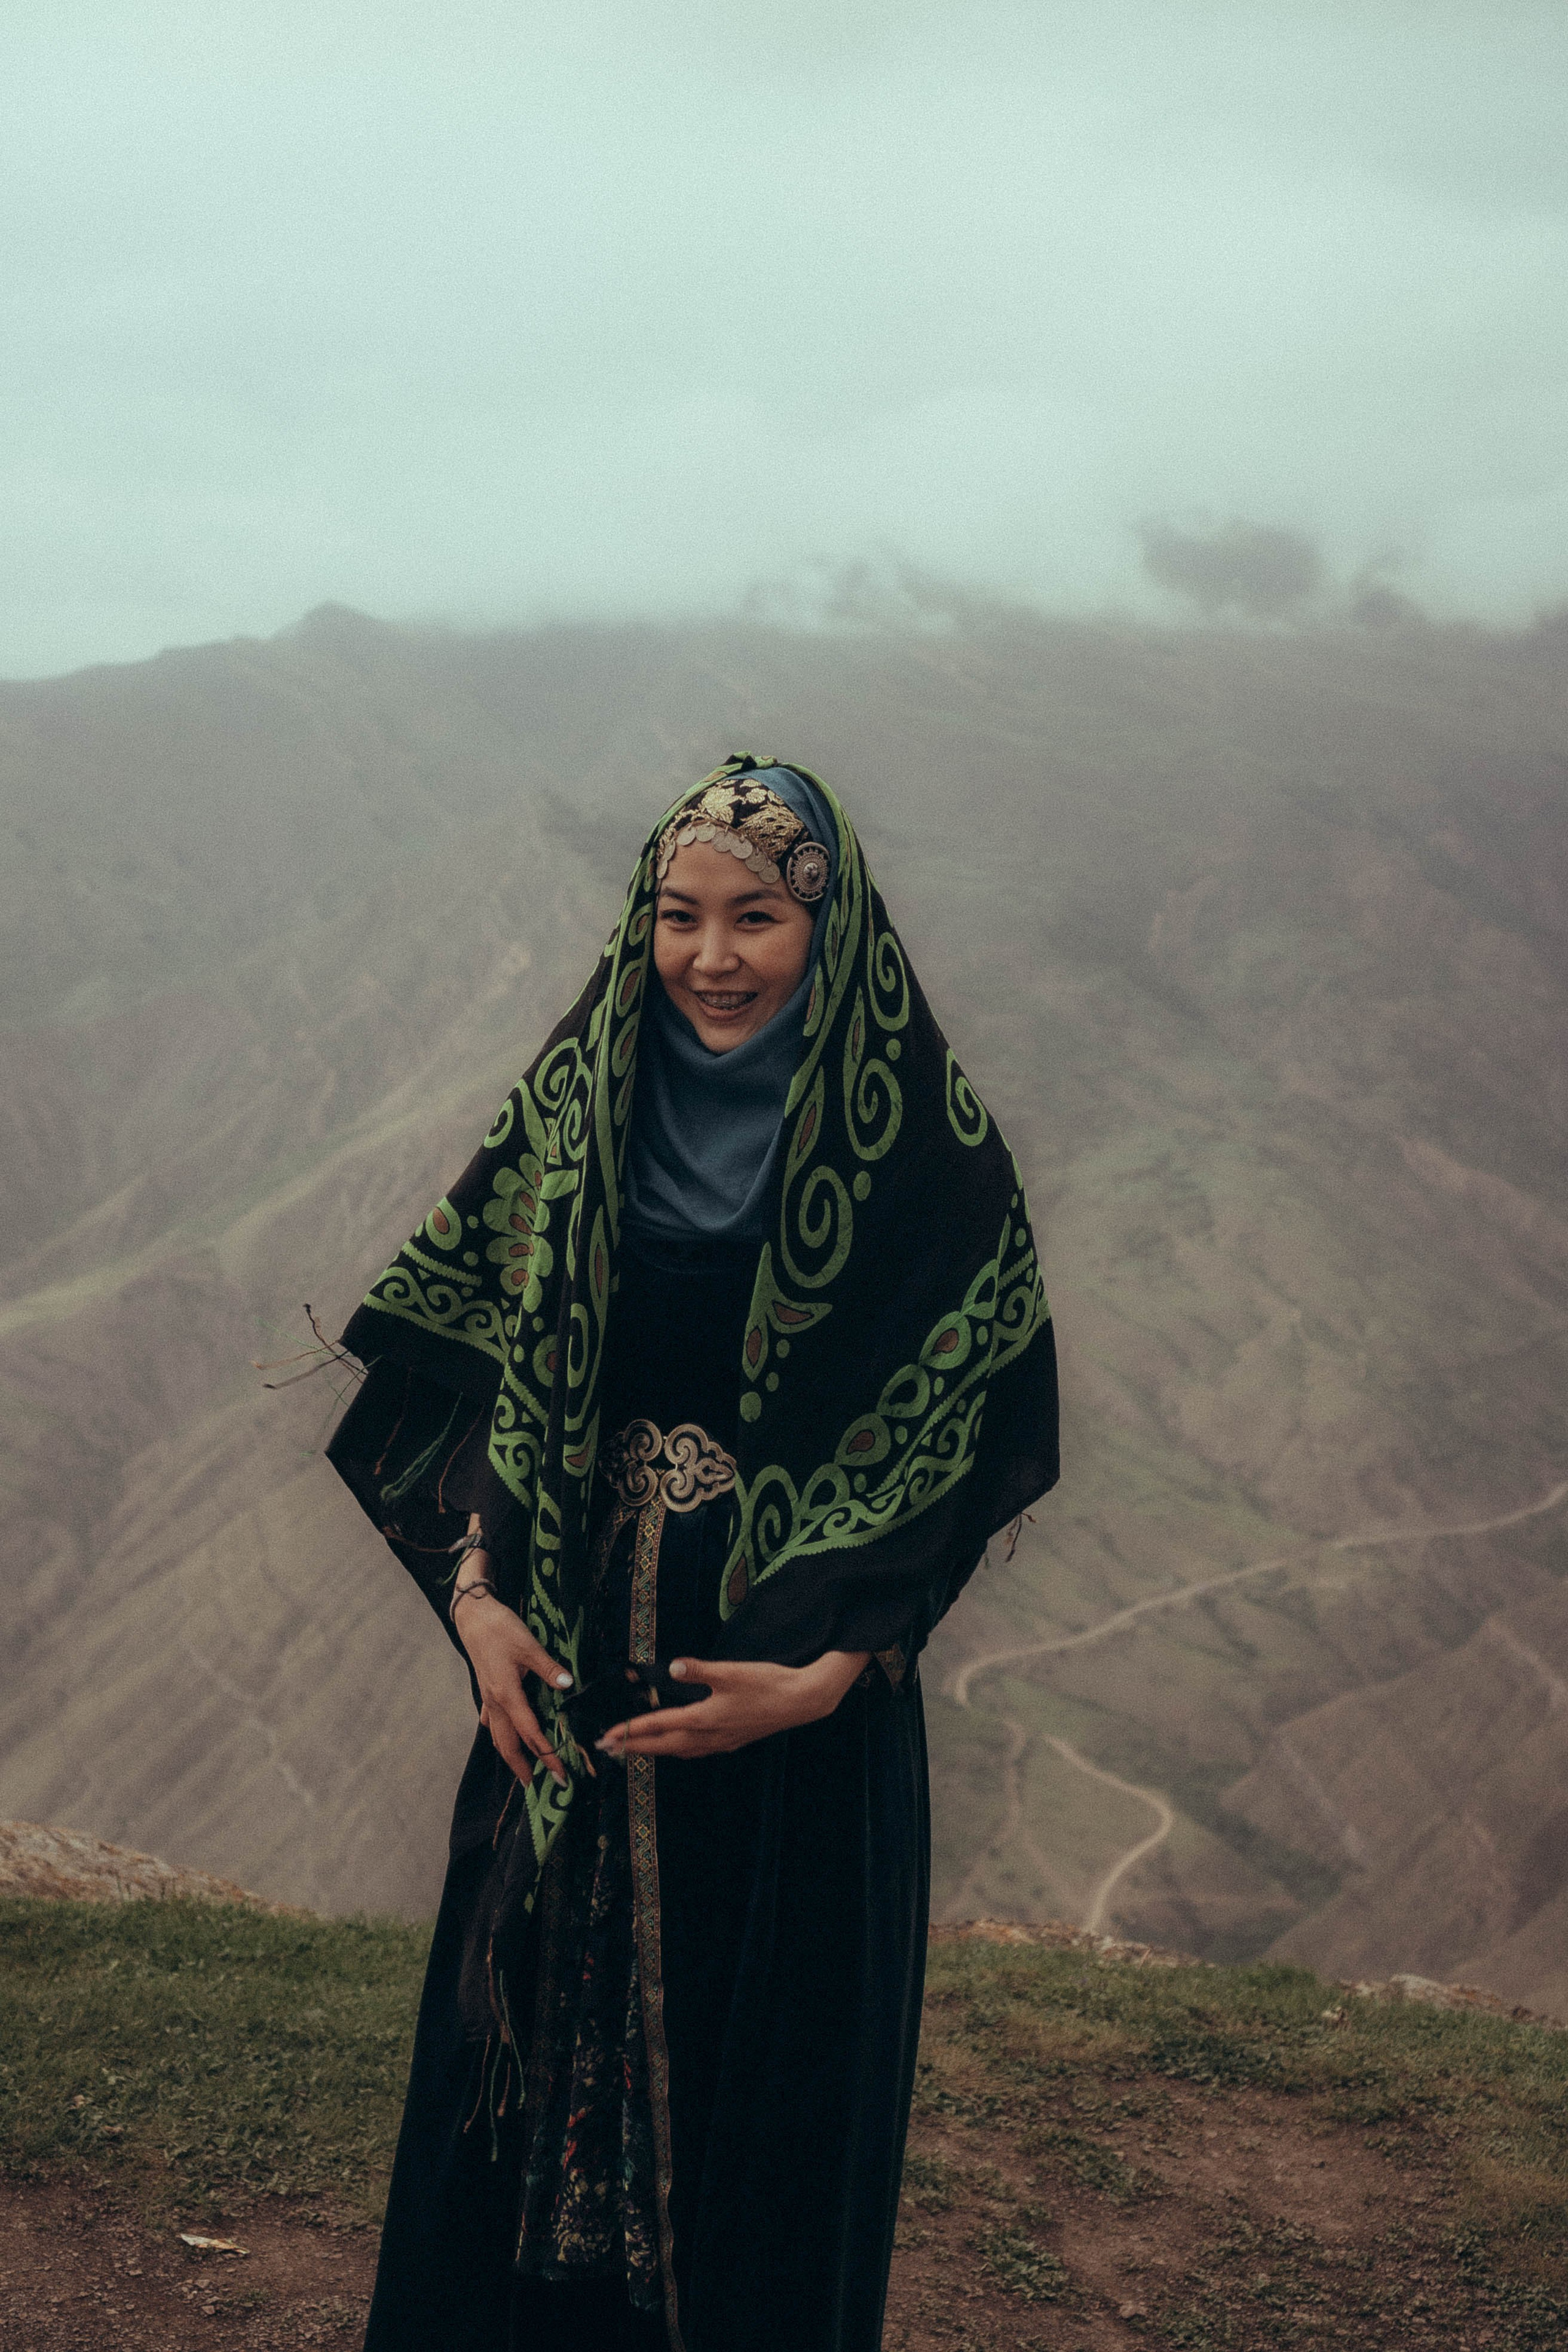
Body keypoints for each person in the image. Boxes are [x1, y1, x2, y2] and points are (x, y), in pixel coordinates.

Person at [327, 756, 1059, 2351]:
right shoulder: (580, 1109)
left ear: (833, 927)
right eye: (679, 916)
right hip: (562, 1685)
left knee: (766, 2117)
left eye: (760, 917)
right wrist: (477, 1604)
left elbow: (960, 1433)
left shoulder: (922, 1160)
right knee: (500, 2127)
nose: (712, 956)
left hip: (800, 1734)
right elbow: (451, 1380)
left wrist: (828, 1675)